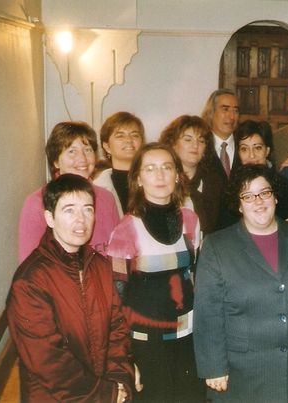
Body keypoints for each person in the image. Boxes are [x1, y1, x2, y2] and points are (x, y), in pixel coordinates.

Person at [7, 174, 133, 402]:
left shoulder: (101, 267)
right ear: (49, 218)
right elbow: (49, 362)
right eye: (69, 210)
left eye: (87, 209)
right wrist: (107, 394)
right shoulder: (30, 281)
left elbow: (117, 329)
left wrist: (119, 378)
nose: (81, 220)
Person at [193, 164, 288, 402]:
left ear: (275, 197)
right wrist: (214, 367)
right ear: (238, 204)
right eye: (248, 196)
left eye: (265, 192)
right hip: (243, 370)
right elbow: (208, 313)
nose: (258, 201)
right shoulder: (217, 246)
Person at [107, 143, 204, 403]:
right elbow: (116, 298)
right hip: (145, 345)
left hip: (188, 340)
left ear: (177, 175)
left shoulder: (191, 220)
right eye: (150, 169)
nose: (160, 175)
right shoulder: (125, 230)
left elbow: (197, 278)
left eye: (166, 167)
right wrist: (124, 357)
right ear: (138, 178)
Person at [18, 121, 119, 263]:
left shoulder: (106, 198)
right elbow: (30, 267)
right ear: (56, 162)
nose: (82, 159)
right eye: (72, 151)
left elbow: (117, 254)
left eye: (88, 150)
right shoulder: (37, 202)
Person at [235, 119, 288, 226]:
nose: (251, 155)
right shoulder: (232, 188)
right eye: (244, 149)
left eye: (257, 148)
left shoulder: (287, 187)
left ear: (267, 151)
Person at [159, 114, 224, 234]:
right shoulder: (161, 181)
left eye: (201, 141)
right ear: (173, 143)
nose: (195, 145)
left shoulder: (215, 182)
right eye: (188, 139)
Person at [94, 111, 145, 217]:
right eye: (120, 136)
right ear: (107, 146)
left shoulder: (155, 180)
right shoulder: (97, 188)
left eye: (135, 135)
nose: (129, 140)